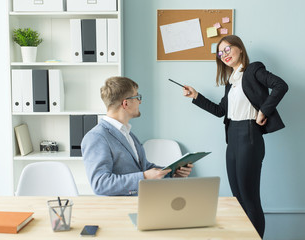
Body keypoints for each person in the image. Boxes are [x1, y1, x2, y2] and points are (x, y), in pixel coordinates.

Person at [183, 35, 288, 238]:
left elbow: (281, 85)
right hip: (232, 138)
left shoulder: (253, 70)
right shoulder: (231, 82)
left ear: (240, 48)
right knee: (237, 199)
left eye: (228, 49)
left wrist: (263, 111)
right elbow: (220, 110)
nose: (224, 55)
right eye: (220, 53)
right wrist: (196, 96)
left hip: (249, 136)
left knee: (250, 199)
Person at [81, 76, 193, 196]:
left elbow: (143, 167)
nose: (140, 101)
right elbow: (100, 184)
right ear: (126, 103)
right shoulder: (97, 137)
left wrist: (173, 172)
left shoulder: (127, 134)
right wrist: (144, 177)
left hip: (140, 203)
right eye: (137, 97)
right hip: (119, 209)